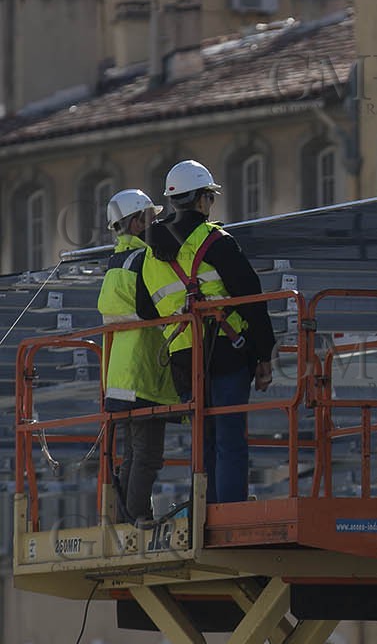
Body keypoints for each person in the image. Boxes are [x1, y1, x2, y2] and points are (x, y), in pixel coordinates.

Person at [137, 161, 274, 504]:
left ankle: (207, 509)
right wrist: (264, 353)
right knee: (229, 436)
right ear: (201, 200)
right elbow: (251, 298)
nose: (210, 205)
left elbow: (144, 308)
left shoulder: (149, 253)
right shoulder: (216, 241)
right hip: (227, 349)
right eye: (209, 198)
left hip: (184, 357)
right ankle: (228, 510)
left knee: (204, 437)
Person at [97, 189, 177, 524]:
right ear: (135, 221)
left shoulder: (116, 262)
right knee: (147, 454)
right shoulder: (146, 260)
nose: (155, 223)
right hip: (144, 371)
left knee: (132, 452)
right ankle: (138, 517)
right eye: (151, 217)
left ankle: (127, 518)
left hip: (119, 374)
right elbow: (159, 308)